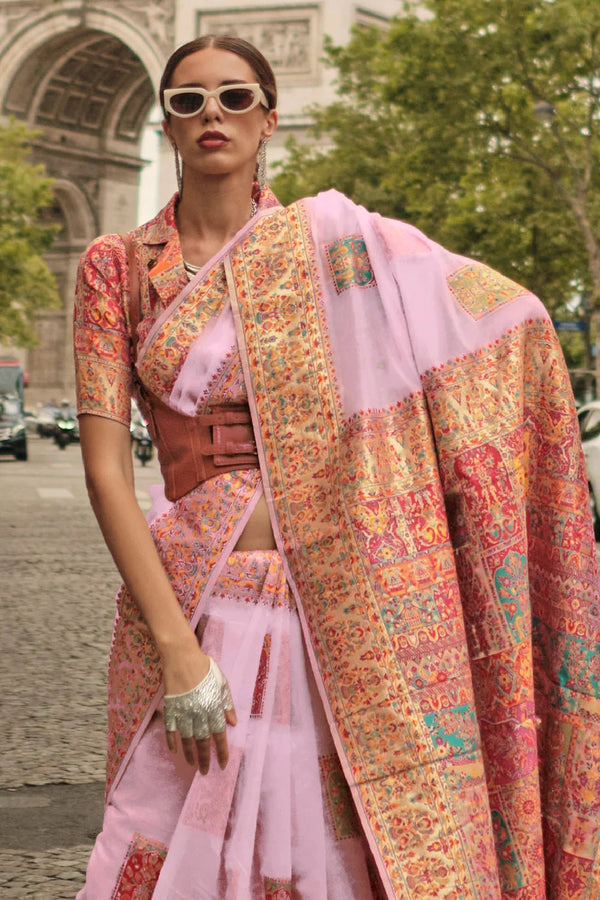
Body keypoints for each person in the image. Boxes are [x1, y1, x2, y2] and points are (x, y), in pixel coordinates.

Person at [74, 34, 600, 900]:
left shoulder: (340, 252)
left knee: (333, 856)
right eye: (188, 101)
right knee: (163, 843)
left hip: (345, 613)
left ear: (269, 118)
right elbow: (104, 475)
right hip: (193, 608)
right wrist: (176, 652)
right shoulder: (116, 269)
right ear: (164, 124)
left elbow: (503, 323)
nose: (213, 114)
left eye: (235, 98)